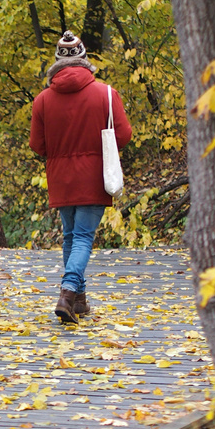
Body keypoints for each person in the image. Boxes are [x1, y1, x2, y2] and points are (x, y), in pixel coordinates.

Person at [29, 31, 132, 324]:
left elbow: (38, 145)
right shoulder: (106, 94)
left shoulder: (43, 101)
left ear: (57, 63)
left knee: (71, 237)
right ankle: (69, 291)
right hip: (94, 176)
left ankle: (80, 301)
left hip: (61, 178)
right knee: (84, 238)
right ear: (85, 59)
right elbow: (123, 135)